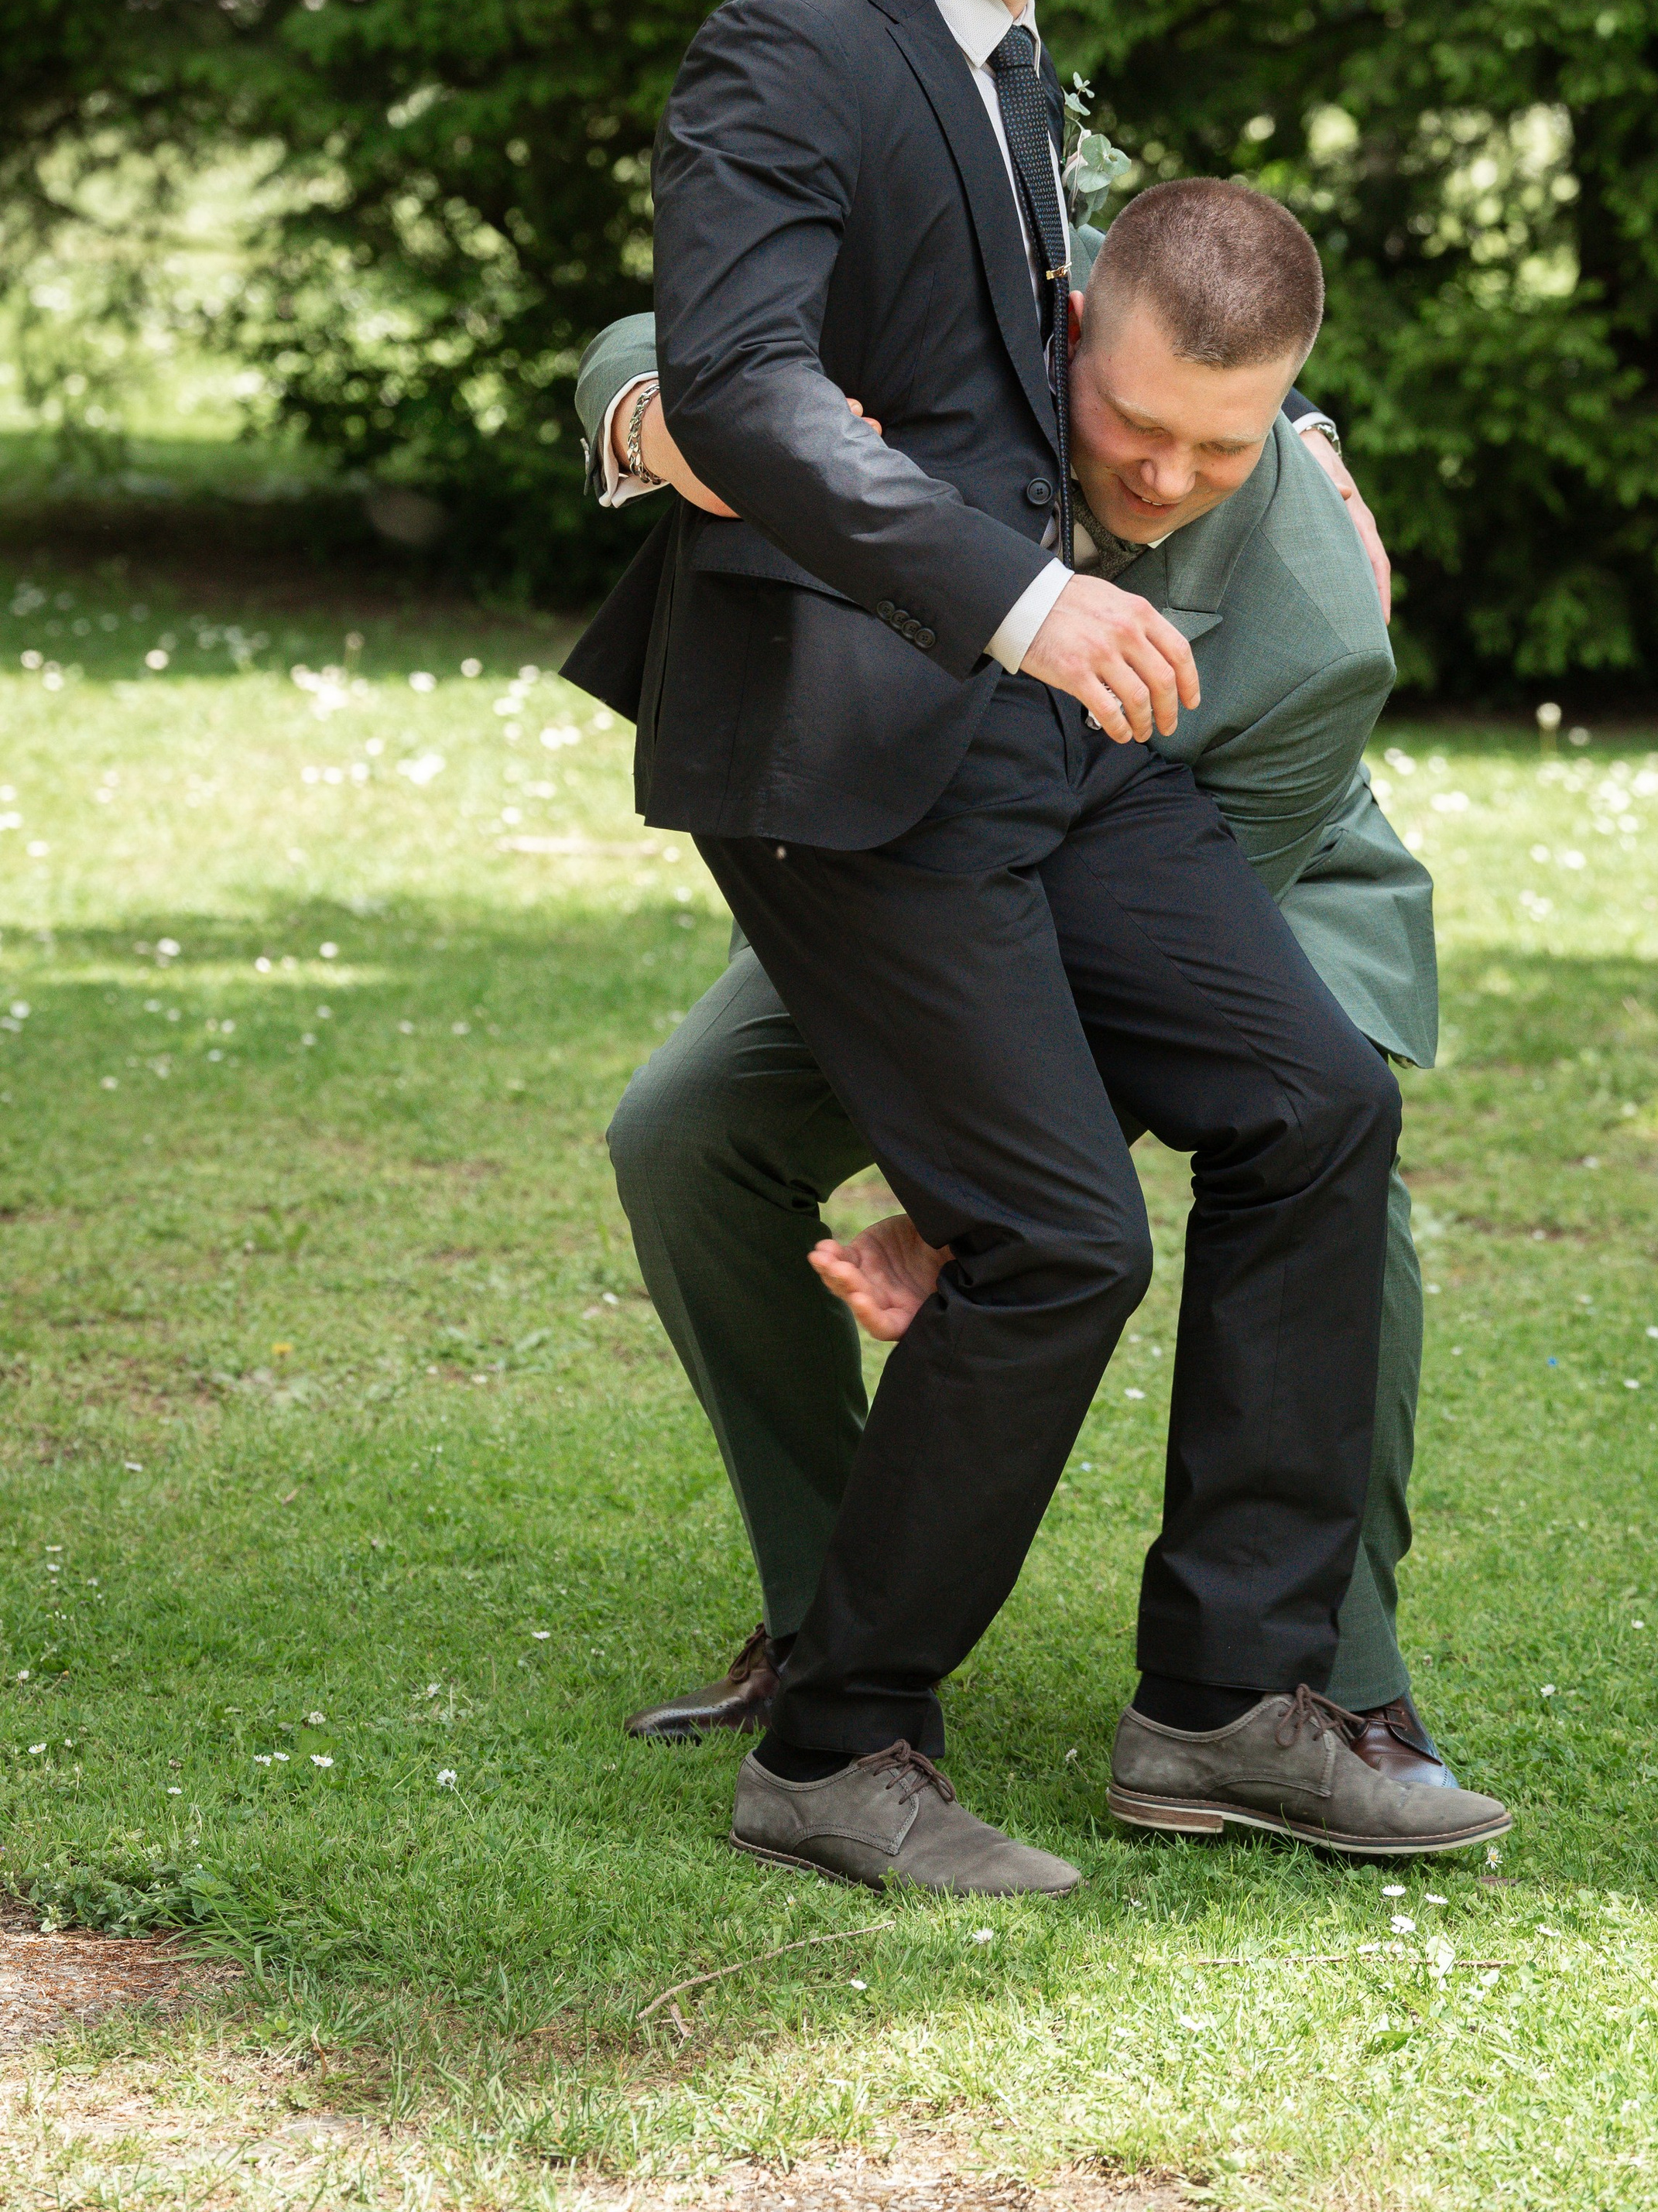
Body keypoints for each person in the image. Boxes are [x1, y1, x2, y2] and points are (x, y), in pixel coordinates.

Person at [562, 0, 1507, 1893]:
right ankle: (843, 1736)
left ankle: (1225, 1704)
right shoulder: (797, 44)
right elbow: (737, 378)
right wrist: (1018, 597)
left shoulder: (1009, 81)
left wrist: (1213, 486)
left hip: (1045, 746)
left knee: (1317, 1104)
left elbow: (1081, 349)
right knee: (1062, 1246)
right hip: (861, 741)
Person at [574, 212, 1455, 1793]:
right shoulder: (958, 341)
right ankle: (831, 1618)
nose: (1167, 476)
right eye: (1135, 423)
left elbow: (1182, 981)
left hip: (1246, 882)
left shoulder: (1315, 623)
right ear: (1063, 340)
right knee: (681, 1134)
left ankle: (1326, 1677)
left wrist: (962, 1203)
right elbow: (659, 348)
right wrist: (669, 427)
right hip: (930, 853)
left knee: (1327, 1149)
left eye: (1228, 444)